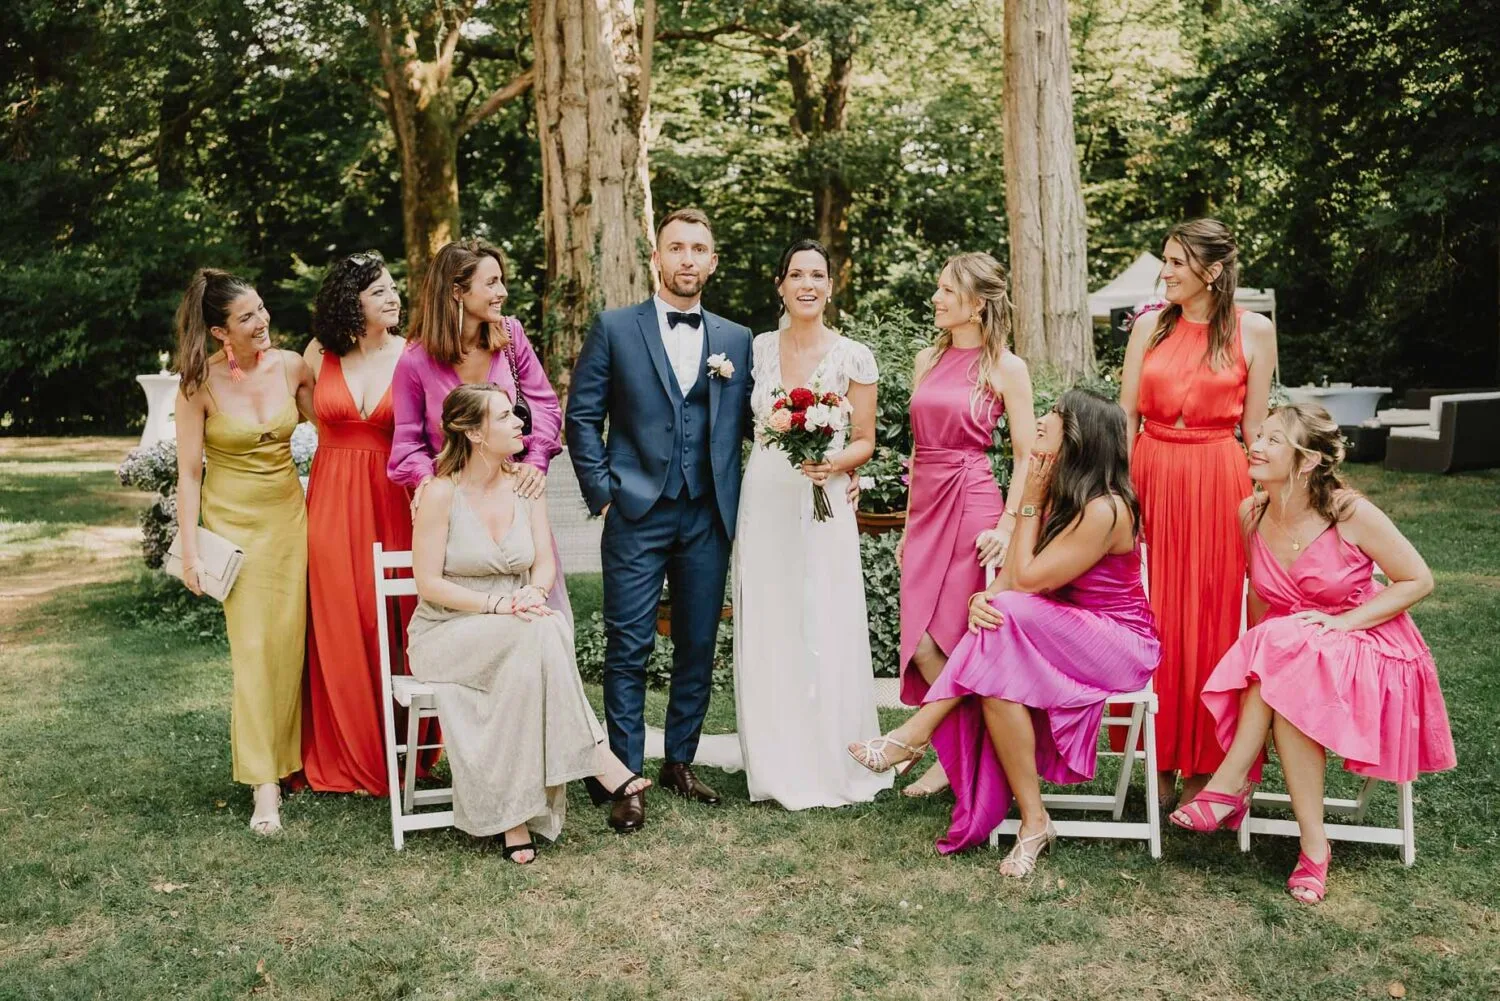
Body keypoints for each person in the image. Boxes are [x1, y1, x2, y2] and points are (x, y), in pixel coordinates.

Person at [850, 390, 1161, 875]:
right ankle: (1034, 821)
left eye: (1054, 416)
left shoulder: (1104, 508)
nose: (1040, 420)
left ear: (1079, 435)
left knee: (1006, 615)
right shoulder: (1069, 492)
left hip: (1118, 643)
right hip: (1066, 632)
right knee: (999, 673)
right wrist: (985, 596)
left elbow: (1031, 579)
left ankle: (915, 733)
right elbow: (1018, 579)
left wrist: (1029, 505)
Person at [1170, 404, 1456, 903]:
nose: (1254, 445)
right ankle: (1313, 847)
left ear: (1305, 461)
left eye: (1273, 440)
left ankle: (1230, 784)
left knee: (1281, 650)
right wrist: (1267, 660)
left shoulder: (1349, 512)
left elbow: (1419, 580)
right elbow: (1262, 600)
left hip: (1371, 643)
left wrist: (1341, 623)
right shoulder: (1251, 512)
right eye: (1257, 436)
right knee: (1280, 658)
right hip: (1295, 652)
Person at [566, 207, 755, 832]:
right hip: (636, 511)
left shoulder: (736, 340)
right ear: (658, 257)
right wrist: (603, 493)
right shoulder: (615, 328)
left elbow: (753, 424)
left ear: (713, 261)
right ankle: (625, 775)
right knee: (629, 645)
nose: (687, 259)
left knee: (698, 644)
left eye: (699, 249)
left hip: (707, 513)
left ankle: (680, 761)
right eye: (677, 248)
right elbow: (582, 416)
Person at [407, 383, 651, 863]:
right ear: (474, 433)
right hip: (448, 630)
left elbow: (543, 564)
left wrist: (534, 591)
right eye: (506, 416)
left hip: (520, 623)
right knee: (540, 629)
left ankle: (514, 819)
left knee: (536, 634)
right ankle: (598, 759)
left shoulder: (526, 485)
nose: (522, 421)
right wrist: (499, 607)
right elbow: (428, 584)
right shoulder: (439, 494)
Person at [1118, 219, 1277, 809]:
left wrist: (1269, 501)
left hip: (1219, 480)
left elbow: (1256, 428)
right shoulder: (1149, 326)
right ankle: (1158, 760)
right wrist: (1120, 492)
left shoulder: (1254, 331)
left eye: (1178, 262)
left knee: (1211, 620)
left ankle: (1205, 767)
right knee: (1152, 616)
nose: (1166, 271)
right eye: (1166, 260)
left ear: (1211, 271)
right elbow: (1125, 415)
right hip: (1151, 472)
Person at [732, 239, 892, 809]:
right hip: (766, 495)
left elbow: (866, 440)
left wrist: (836, 464)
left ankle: (830, 753)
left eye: (817, 275)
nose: (806, 284)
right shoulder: (757, 350)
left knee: (823, 613)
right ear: (780, 285)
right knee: (771, 614)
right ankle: (776, 758)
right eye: (795, 273)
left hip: (821, 496)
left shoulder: (854, 356)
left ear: (830, 286)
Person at [172, 268, 316, 835]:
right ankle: (264, 784)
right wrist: (190, 550)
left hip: (290, 520)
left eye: (262, 309)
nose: (263, 323)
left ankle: (294, 761)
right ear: (218, 332)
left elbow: (334, 426)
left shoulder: (293, 367)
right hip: (232, 525)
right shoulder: (198, 386)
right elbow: (188, 474)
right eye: (247, 317)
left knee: (289, 642)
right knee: (253, 649)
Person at [895, 252, 1036, 799]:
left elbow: (1027, 456)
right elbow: (915, 449)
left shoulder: (1006, 366)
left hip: (974, 502)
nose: (936, 298)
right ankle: (956, 754)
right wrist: (909, 528)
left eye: (947, 291)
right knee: (923, 643)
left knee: (956, 638)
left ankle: (953, 760)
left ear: (977, 303)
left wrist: (1007, 525)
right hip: (926, 502)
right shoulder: (925, 359)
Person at [387, 238, 570, 621]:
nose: (502, 292)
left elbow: (545, 405)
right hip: (458, 509)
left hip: (514, 496)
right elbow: (407, 442)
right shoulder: (413, 362)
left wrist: (535, 462)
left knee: (538, 617)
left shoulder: (511, 336)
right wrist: (425, 481)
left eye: (500, 280)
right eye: (491, 283)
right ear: (456, 291)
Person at [300, 251, 420, 796]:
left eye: (393, 288)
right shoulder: (318, 354)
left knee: (393, 616)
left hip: (394, 494)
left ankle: (407, 742)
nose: (393, 297)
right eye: (378, 291)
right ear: (352, 302)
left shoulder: (414, 355)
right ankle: (348, 749)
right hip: (331, 498)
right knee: (339, 617)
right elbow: (297, 409)